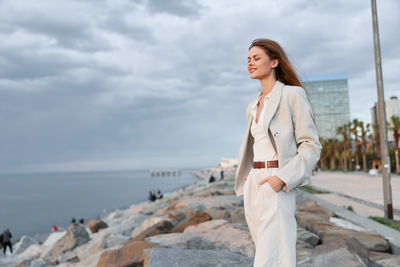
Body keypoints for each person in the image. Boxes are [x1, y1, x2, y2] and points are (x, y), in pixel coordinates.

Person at [234, 39, 321, 267]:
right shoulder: (252, 106)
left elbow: (311, 145)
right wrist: (251, 174)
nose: (251, 63)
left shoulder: (292, 95)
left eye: (257, 58)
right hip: (254, 184)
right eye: (249, 59)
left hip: (278, 182)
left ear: (274, 62)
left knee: (270, 259)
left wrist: (281, 178)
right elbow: (259, 145)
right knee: (269, 255)